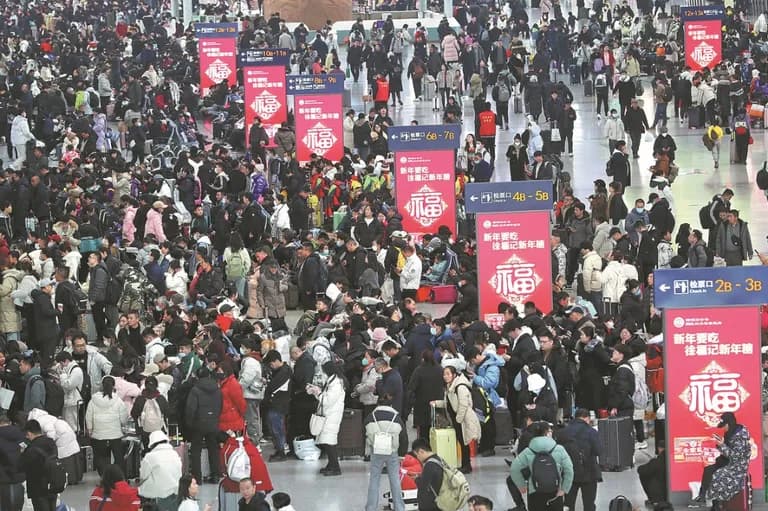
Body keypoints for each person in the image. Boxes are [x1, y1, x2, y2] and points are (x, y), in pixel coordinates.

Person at [689, 412, 751, 508]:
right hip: (728, 463)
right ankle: (703, 496)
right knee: (709, 469)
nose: (723, 428)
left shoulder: (740, 436)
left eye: (724, 426)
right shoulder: (730, 432)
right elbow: (726, 453)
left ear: (728, 424)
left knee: (717, 475)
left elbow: (735, 456)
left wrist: (722, 445)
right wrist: (721, 444)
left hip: (737, 466)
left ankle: (715, 502)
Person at [509, 421, 574, 511]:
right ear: (547, 433)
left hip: (534, 491)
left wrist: (522, 486)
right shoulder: (559, 449)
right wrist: (564, 488)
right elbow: (569, 470)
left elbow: (514, 469)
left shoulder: (529, 451)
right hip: (555, 490)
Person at [431, 365, 482, 474]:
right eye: (444, 374)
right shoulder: (450, 387)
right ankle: (465, 464)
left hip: (463, 419)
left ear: (454, 375)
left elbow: (463, 405)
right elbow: (449, 403)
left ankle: (467, 465)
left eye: (448, 374)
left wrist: (458, 419)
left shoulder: (460, 387)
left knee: (465, 442)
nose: (445, 376)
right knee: (462, 441)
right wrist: (437, 403)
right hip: (458, 419)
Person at [364, 395, 406, 511]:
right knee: (395, 480)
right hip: (392, 452)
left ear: (378, 404)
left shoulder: (370, 417)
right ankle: (399, 507)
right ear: (391, 405)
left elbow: (365, 431)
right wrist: (402, 454)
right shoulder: (396, 417)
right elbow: (404, 437)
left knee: (374, 479)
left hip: (376, 451)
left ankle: (371, 507)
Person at [184, 367, 223, 484]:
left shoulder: (195, 390)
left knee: (196, 450)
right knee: (213, 449)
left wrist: (189, 423)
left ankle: (197, 477)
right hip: (213, 422)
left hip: (198, 424)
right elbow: (220, 406)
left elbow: (190, 409)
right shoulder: (217, 389)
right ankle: (215, 475)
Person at [85, 375, 128, 476]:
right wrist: (122, 425)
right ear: (113, 386)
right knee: (118, 458)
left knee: (101, 458)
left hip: (98, 435)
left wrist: (90, 429)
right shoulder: (118, 401)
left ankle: (104, 477)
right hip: (115, 435)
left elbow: (88, 416)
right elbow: (123, 419)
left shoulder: (93, 400)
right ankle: (118, 478)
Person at [308, 361, 346, 476]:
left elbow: (328, 401)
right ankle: (331, 464)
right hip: (328, 415)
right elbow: (324, 398)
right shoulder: (332, 381)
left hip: (332, 416)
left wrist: (318, 393)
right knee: (326, 441)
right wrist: (316, 392)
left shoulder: (336, 384)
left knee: (330, 442)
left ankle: (335, 467)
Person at [561, 408, 602, 511]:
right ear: (587, 418)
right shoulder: (591, 432)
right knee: (589, 504)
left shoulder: (564, 432)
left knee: (568, 504)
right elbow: (598, 451)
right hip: (589, 472)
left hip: (569, 472)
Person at [139, 430, 183, 511]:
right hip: (175, 490)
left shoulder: (150, 456)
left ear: (152, 444)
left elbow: (143, 476)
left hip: (158, 493)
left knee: (141, 488)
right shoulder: (174, 453)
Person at [20, 419, 58, 511]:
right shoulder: (51, 442)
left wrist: (22, 453)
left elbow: (22, 466)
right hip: (53, 484)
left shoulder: (31, 449)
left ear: (29, 433)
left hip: (38, 488)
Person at [264, 350, 292, 462]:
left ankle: (281, 452)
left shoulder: (285, 372)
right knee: (274, 428)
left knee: (277, 429)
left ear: (276, 361)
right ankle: (279, 450)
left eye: (271, 364)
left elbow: (272, 387)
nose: (271, 367)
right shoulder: (281, 371)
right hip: (275, 404)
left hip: (279, 405)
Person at [239, 338, 265, 444]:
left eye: (243, 348)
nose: (241, 349)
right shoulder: (251, 360)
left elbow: (246, 378)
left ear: (249, 349)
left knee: (251, 418)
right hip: (252, 394)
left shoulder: (251, 361)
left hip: (250, 394)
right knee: (253, 417)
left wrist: (238, 388)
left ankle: (254, 440)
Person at [0, 411, 25, 511]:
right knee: (18, 501)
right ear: (9, 422)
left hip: (2, 475)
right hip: (19, 473)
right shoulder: (20, 433)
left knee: (4, 503)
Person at [412, 438, 443, 511]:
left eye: (417, 455)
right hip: (442, 501)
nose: (417, 458)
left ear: (421, 451)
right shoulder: (439, 459)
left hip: (433, 506)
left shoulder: (429, 465)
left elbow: (423, 486)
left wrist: (416, 479)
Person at [638, 438, 668, 507]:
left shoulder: (657, 461)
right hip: (672, 493)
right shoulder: (672, 459)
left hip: (659, 496)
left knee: (644, 474)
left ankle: (654, 500)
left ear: (659, 449)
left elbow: (641, 470)